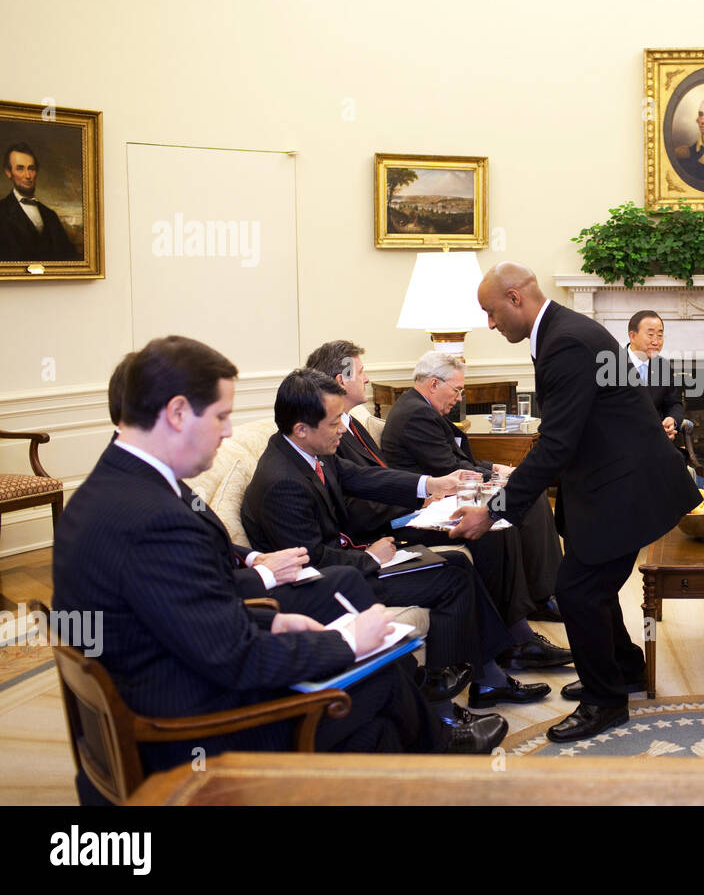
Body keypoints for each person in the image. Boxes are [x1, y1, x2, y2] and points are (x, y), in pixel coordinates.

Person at [53, 336, 444, 803]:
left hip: (164, 685)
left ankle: (429, 765)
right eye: (220, 416)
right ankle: (444, 768)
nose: (228, 431)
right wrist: (344, 641)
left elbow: (184, 608)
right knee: (377, 678)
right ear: (177, 413)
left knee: (377, 715)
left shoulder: (113, 486)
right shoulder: (154, 520)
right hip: (188, 735)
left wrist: (273, 619)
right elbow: (233, 658)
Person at [452, 262, 701, 742]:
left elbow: (557, 444)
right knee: (594, 588)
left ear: (515, 298)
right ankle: (626, 670)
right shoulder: (562, 331)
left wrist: (494, 511)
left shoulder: (565, 340)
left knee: (578, 590)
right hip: (619, 485)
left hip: (626, 490)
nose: (489, 324)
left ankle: (605, 702)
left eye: (490, 312)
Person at [239, 369, 534, 736]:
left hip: (349, 561)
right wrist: (372, 558)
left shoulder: (309, 450)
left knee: (456, 561)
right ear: (301, 428)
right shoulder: (282, 482)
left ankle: (481, 677)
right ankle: (443, 710)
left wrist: (433, 483)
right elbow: (312, 561)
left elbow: (363, 478)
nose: (343, 430)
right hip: (332, 584)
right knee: (451, 575)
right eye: (334, 423)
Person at [377, 349, 567, 629]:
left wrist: (497, 469)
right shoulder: (416, 414)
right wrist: (496, 475)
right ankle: (540, 600)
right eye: (457, 390)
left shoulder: (419, 407)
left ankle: (543, 595)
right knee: (516, 503)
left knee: (525, 496)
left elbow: (458, 461)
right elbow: (448, 469)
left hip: (450, 493)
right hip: (432, 504)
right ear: (434, 384)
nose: (459, 397)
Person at [0, 142, 78, 261]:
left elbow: (69, 257)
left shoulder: (50, 215)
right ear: (8, 172)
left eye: (31, 169)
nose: (28, 175)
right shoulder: (2, 211)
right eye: (20, 168)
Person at [625, 309, 684, 441]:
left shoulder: (662, 365)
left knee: (678, 460)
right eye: (650, 335)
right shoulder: (613, 365)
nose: (656, 342)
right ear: (632, 336)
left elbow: (674, 403)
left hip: (656, 439)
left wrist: (672, 420)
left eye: (659, 335)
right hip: (621, 441)